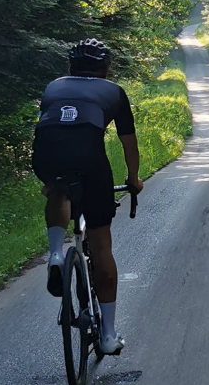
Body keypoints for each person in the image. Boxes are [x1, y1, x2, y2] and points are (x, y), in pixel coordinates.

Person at [31, 38, 143, 354]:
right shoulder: (114, 92)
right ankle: (108, 335)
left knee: (57, 189)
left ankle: (55, 254)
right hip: (90, 160)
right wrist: (133, 179)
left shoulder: (53, 86)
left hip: (45, 154)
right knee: (101, 243)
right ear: (105, 69)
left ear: (70, 67)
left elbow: (49, 128)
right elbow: (128, 144)